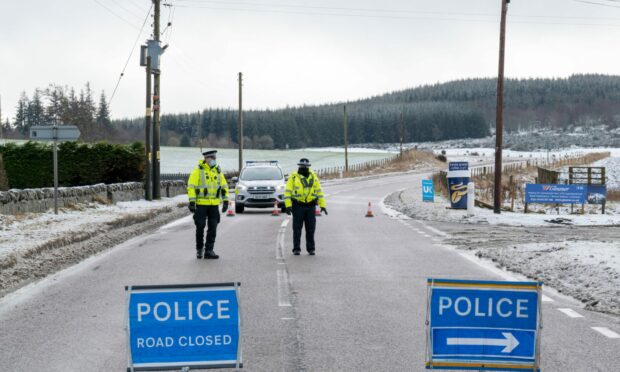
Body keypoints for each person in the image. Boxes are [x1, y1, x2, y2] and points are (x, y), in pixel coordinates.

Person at [187, 150, 229, 259]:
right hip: (201, 204)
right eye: (212, 158)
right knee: (200, 226)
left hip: (214, 205)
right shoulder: (198, 171)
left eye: (215, 157)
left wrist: (225, 201)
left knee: (213, 227)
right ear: (206, 159)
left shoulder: (218, 171)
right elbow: (191, 186)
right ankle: (199, 249)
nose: (214, 160)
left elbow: (224, 187)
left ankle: (209, 250)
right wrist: (192, 202)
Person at [284, 158, 327, 256]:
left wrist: (323, 205)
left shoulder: (313, 176)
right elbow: (287, 192)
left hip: (310, 206)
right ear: (299, 166)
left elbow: (319, 191)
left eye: (305, 166)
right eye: (302, 166)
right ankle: (296, 249)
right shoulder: (293, 177)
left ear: (308, 166)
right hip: (298, 205)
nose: (304, 168)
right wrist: (288, 206)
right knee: (297, 229)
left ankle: (311, 249)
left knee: (311, 229)